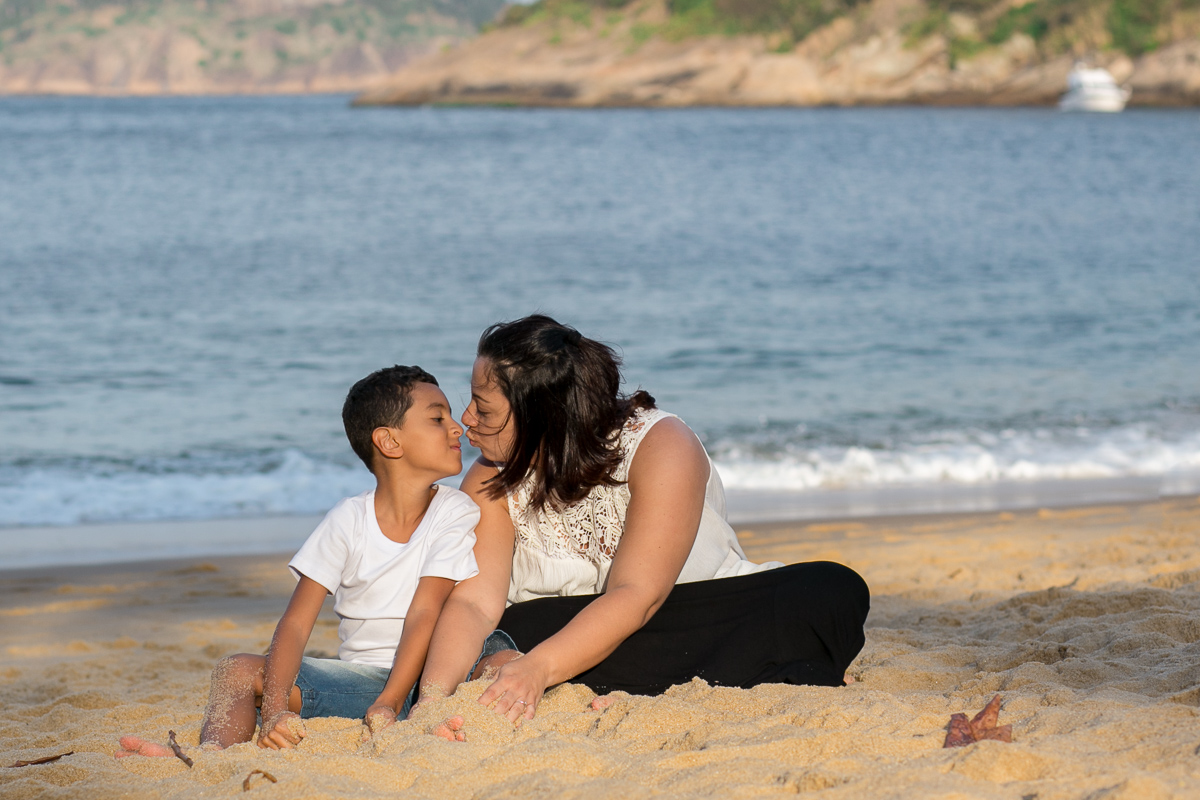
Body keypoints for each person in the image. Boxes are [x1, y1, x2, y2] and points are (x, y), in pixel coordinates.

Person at [413, 315, 870, 734]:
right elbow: (474, 605)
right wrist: (430, 700)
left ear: (542, 417)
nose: (465, 420)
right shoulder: (490, 474)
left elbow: (638, 597)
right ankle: (743, 671)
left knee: (828, 590)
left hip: (690, 613)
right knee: (522, 623)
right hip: (562, 632)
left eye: (483, 407)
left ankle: (568, 678)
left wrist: (535, 670)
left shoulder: (660, 444)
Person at [116, 365, 482, 758]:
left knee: (499, 657)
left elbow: (425, 612)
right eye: (437, 418)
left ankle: (435, 722)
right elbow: (295, 622)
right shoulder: (347, 519)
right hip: (360, 684)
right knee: (234, 670)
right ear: (389, 441)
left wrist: (390, 703)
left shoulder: (454, 509)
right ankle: (210, 757)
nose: (457, 427)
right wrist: (274, 711)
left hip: (431, 682)